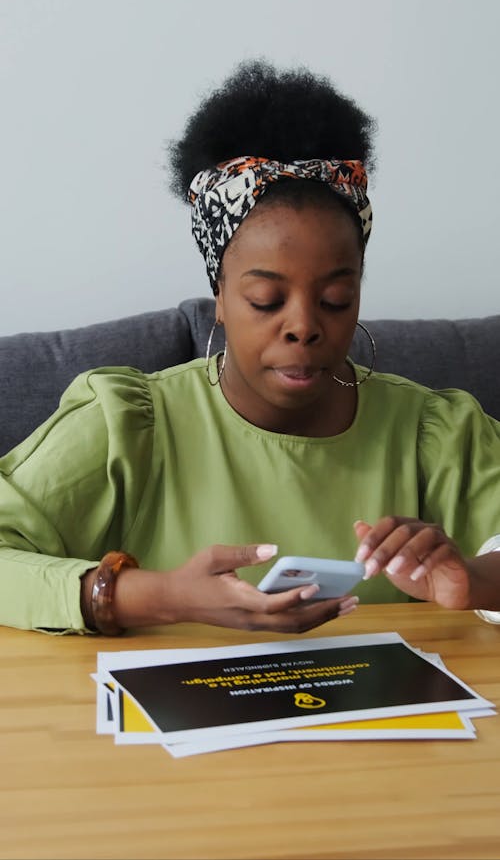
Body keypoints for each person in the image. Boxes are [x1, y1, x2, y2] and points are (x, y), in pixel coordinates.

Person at [0, 60, 499, 636]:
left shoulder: (436, 432)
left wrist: (472, 577)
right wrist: (155, 595)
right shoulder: (126, 426)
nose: (304, 326)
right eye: (266, 299)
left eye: (336, 299)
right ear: (218, 295)